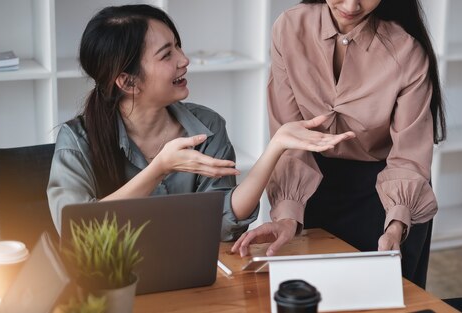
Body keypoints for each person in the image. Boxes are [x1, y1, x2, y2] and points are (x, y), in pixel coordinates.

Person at [47, 4, 355, 242]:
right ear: (128, 82)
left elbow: (222, 222)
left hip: (191, 278)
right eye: (167, 54)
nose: (184, 59)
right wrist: (160, 168)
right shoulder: (77, 141)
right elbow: (77, 232)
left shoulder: (207, 125)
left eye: (178, 46)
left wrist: (275, 148)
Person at [232, 0, 446, 288]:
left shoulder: (407, 51)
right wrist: (287, 215)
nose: (351, 4)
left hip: (387, 193)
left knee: (385, 300)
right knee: (314, 297)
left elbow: (408, 155)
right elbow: (290, 137)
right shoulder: (289, 27)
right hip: (312, 185)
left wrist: (395, 227)